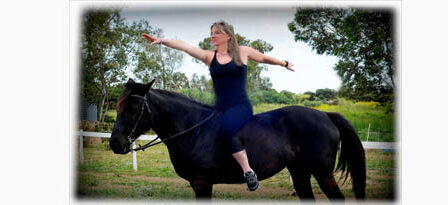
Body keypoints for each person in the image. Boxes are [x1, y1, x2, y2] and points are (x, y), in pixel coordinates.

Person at [142, 20, 294, 191]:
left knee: (227, 131)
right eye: (211, 32)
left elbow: (264, 58)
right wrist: (162, 41)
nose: (212, 35)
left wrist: (284, 63)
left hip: (240, 107)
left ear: (228, 35)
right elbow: (185, 46)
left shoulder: (243, 52)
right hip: (218, 108)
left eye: (217, 33)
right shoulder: (209, 56)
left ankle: (248, 171)